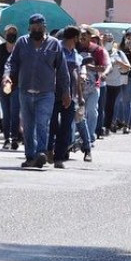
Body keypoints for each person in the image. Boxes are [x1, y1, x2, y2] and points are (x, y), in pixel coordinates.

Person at [3, 14, 69, 168]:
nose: (36, 31)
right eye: (33, 28)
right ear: (29, 28)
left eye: (39, 28)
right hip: (25, 91)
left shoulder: (54, 44)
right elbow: (11, 62)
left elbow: (62, 70)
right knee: (27, 126)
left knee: (42, 123)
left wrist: (66, 92)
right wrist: (7, 76)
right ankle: (30, 156)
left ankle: (41, 153)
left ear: (44, 27)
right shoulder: (22, 42)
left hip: (46, 93)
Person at [47, 26, 90, 167]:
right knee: (52, 125)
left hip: (70, 96)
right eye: (79, 37)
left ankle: (59, 157)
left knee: (66, 127)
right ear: (75, 38)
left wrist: (80, 95)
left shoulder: (74, 53)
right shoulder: (56, 48)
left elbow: (76, 75)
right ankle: (48, 150)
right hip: (53, 93)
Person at [77, 26, 108, 147]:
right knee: (79, 112)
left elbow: (102, 68)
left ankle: (89, 137)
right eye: (81, 35)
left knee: (91, 110)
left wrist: (87, 66)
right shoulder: (75, 48)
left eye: (85, 34)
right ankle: (76, 136)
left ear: (90, 36)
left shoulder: (97, 50)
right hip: (79, 86)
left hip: (94, 86)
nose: (83, 37)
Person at [0, 25, 21, 150]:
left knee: (15, 111)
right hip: (2, 84)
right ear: (5, 35)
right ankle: (7, 139)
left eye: (14, 33)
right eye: (9, 33)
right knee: (6, 112)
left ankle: (15, 137)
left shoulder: (19, 49)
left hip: (17, 84)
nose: (11, 35)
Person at [103, 34, 129, 134]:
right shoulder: (100, 51)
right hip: (102, 82)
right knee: (102, 105)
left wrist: (119, 63)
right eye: (106, 40)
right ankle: (100, 125)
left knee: (110, 105)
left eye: (110, 40)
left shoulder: (118, 53)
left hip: (115, 83)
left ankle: (107, 126)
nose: (108, 42)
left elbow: (127, 67)